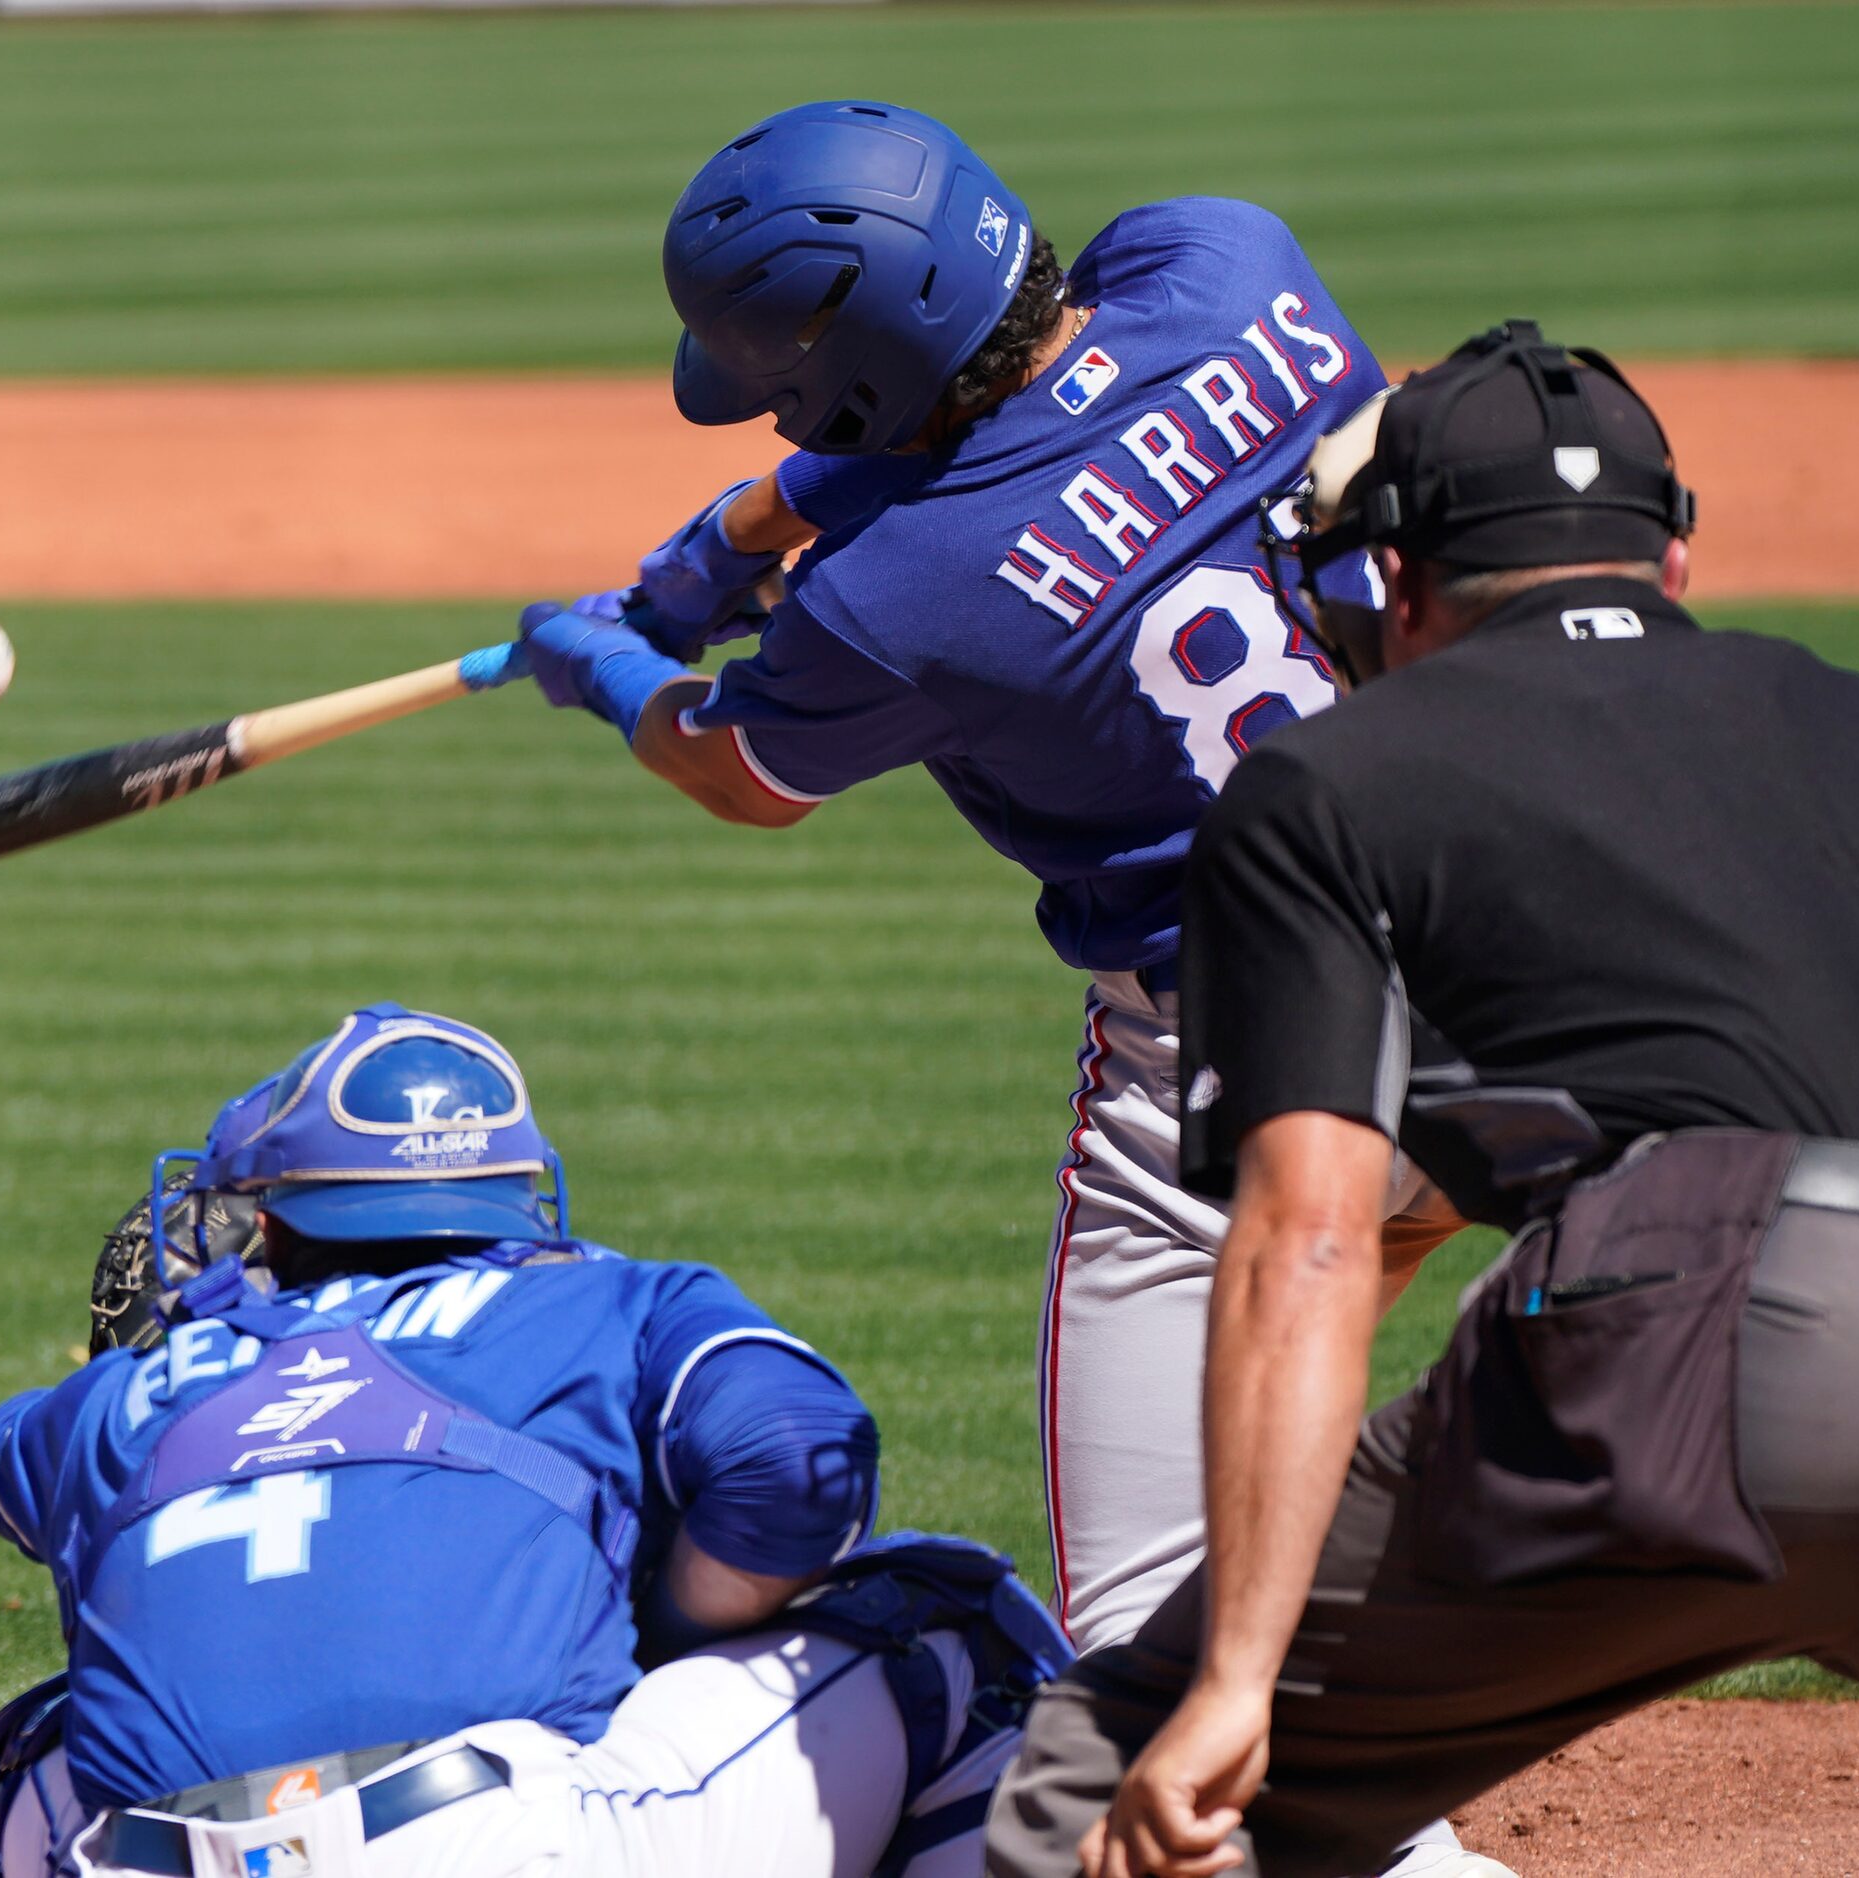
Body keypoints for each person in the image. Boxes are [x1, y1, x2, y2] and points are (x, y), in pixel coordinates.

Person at [984, 322, 1859, 1878]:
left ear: (1390, 579)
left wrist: (1234, 1681)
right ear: (1666, 556)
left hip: (1694, 1349)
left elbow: (1308, 1234)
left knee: (1110, 1777)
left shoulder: (1324, 780)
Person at [509, 99, 1467, 1679]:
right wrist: (768, 520)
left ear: (854, 375)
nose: (768, 429)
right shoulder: (1228, 260)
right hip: (1526, 964)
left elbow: (735, 770)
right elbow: (1048, 420)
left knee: (1159, 1641)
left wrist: (612, 661)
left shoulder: (898, 609)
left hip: (1246, 1086)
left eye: (779, 402)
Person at [0, 1002, 1070, 1878]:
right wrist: (672, 1623)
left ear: (278, 1220)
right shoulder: (605, 1303)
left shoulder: (118, 1396)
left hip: (151, 1863)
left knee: (57, 1735)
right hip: (494, 1849)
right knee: (948, 1624)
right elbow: (795, 1452)